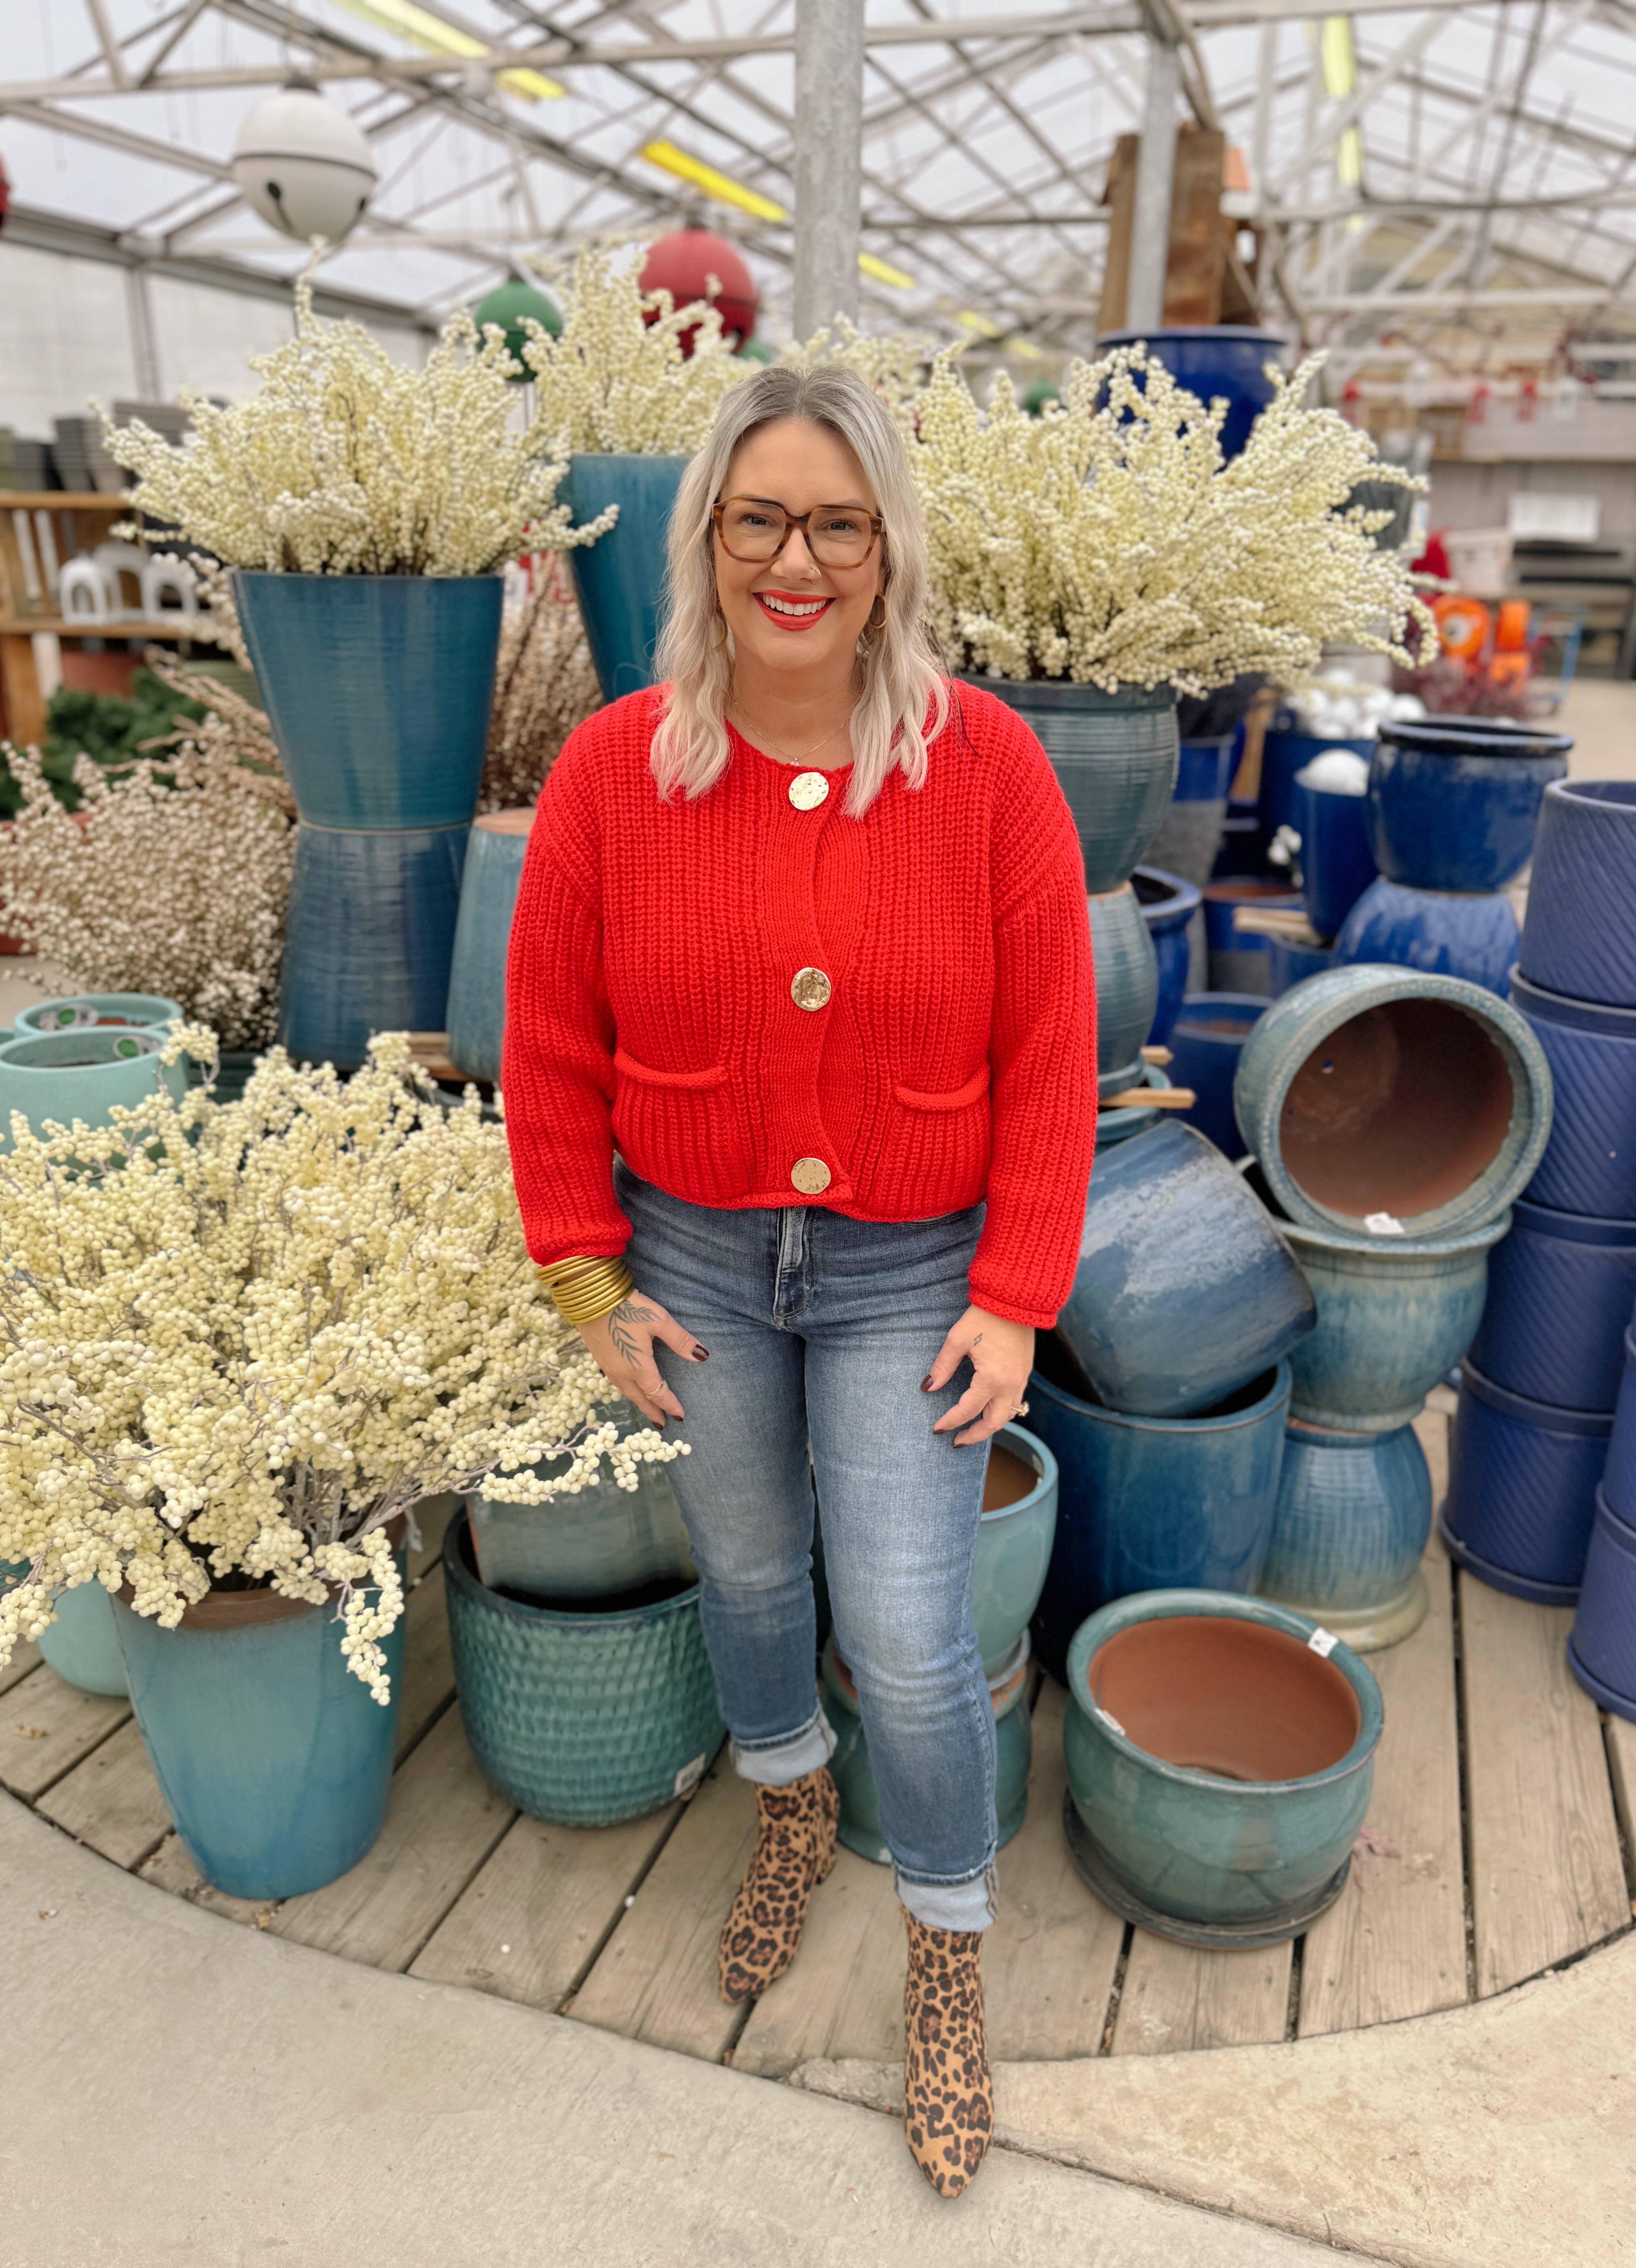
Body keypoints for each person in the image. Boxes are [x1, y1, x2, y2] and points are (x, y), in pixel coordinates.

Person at [503, 362, 1096, 2199]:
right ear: (706, 539)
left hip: (911, 1265)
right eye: (759, 518)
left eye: (837, 522)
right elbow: (546, 1046)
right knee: (750, 1570)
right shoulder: (616, 768)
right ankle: (786, 1801)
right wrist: (584, 1283)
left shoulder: (984, 765)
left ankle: (943, 1941)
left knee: (915, 1637)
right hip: (691, 1251)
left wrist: (1014, 1289)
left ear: (888, 546)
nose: (797, 559)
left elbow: (1059, 1051)